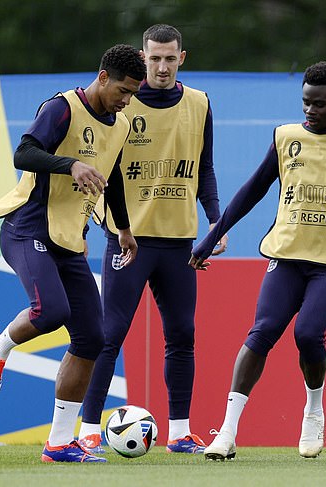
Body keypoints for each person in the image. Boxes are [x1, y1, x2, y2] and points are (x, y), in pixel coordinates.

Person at [189, 61, 326, 460]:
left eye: (319, 104)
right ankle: (228, 432)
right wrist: (210, 238)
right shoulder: (287, 138)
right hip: (287, 253)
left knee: (306, 335)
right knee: (262, 331)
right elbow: (251, 191)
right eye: (305, 103)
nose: (310, 111)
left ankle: (313, 410)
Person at [0, 44, 147, 463]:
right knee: (50, 311)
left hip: (69, 238)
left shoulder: (121, 124)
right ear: (103, 77)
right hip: (26, 227)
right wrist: (69, 164)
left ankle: (58, 443)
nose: (126, 100)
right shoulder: (62, 108)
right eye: (123, 90)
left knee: (93, 337)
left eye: (132, 94)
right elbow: (23, 152)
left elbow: (116, 179)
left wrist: (124, 229)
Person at [79, 24, 228, 455]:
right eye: (154, 59)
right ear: (143, 58)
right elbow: (99, 172)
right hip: (130, 241)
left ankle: (179, 433)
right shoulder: (120, 105)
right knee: (110, 335)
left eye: (169, 58)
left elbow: (205, 169)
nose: (161, 67)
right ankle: (89, 430)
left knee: (182, 335)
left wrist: (216, 221)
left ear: (182, 58)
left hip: (180, 242)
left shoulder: (199, 104)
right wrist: (87, 226)